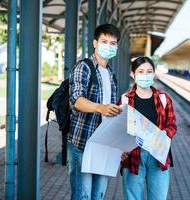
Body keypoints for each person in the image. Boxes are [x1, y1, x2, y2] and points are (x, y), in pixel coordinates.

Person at [68, 24, 122, 200]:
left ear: (117, 46)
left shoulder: (111, 75)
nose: (109, 46)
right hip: (83, 142)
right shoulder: (84, 67)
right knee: (82, 196)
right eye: (104, 41)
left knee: (98, 196)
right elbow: (76, 100)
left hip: (104, 144)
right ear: (95, 43)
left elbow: (112, 113)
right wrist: (101, 107)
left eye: (113, 43)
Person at [119, 56, 177, 200]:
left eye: (149, 71)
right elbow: (118, 129)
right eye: (141, 71)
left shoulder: (164, 98)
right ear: (133, 74)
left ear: (154, 73)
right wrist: (120, 148)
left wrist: (162, 135)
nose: (145, 75)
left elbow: (172, 125)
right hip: (133, 157)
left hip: (158, 156)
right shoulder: (125, 100)